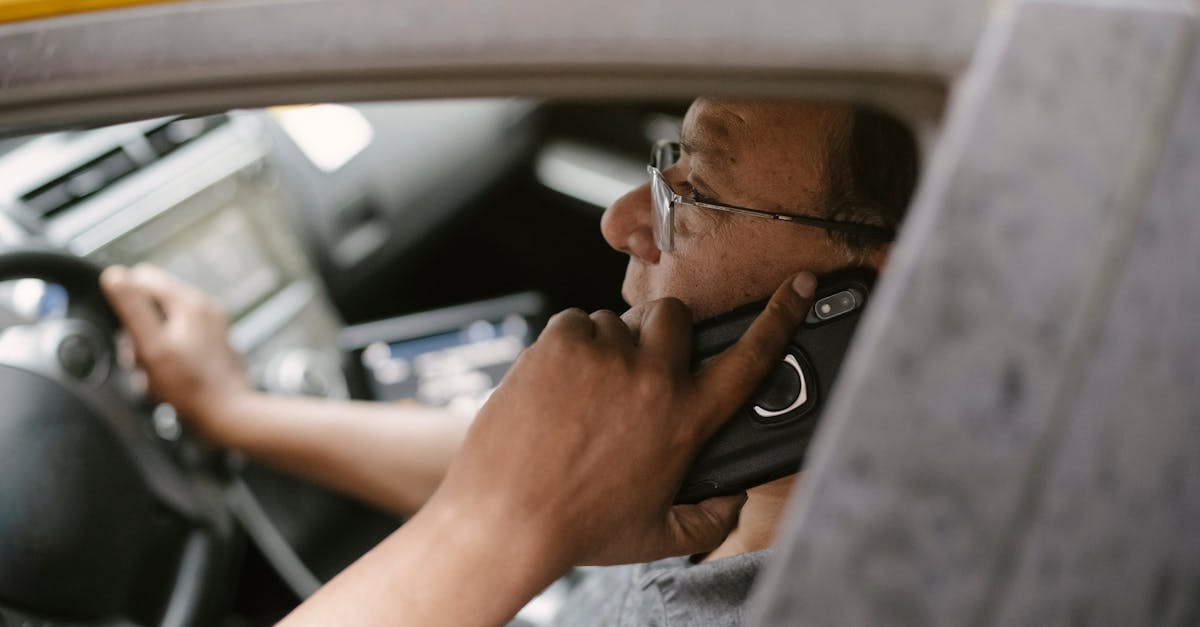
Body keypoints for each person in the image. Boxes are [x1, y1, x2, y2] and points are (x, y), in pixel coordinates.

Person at [99, 98, 918, 625]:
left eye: (693, 190)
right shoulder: (755, 471)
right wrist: (240, 414)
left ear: (891, 294)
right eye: (665, 159)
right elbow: (552, 473)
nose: (622, 220)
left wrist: (491, 530)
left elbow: (524, 497)